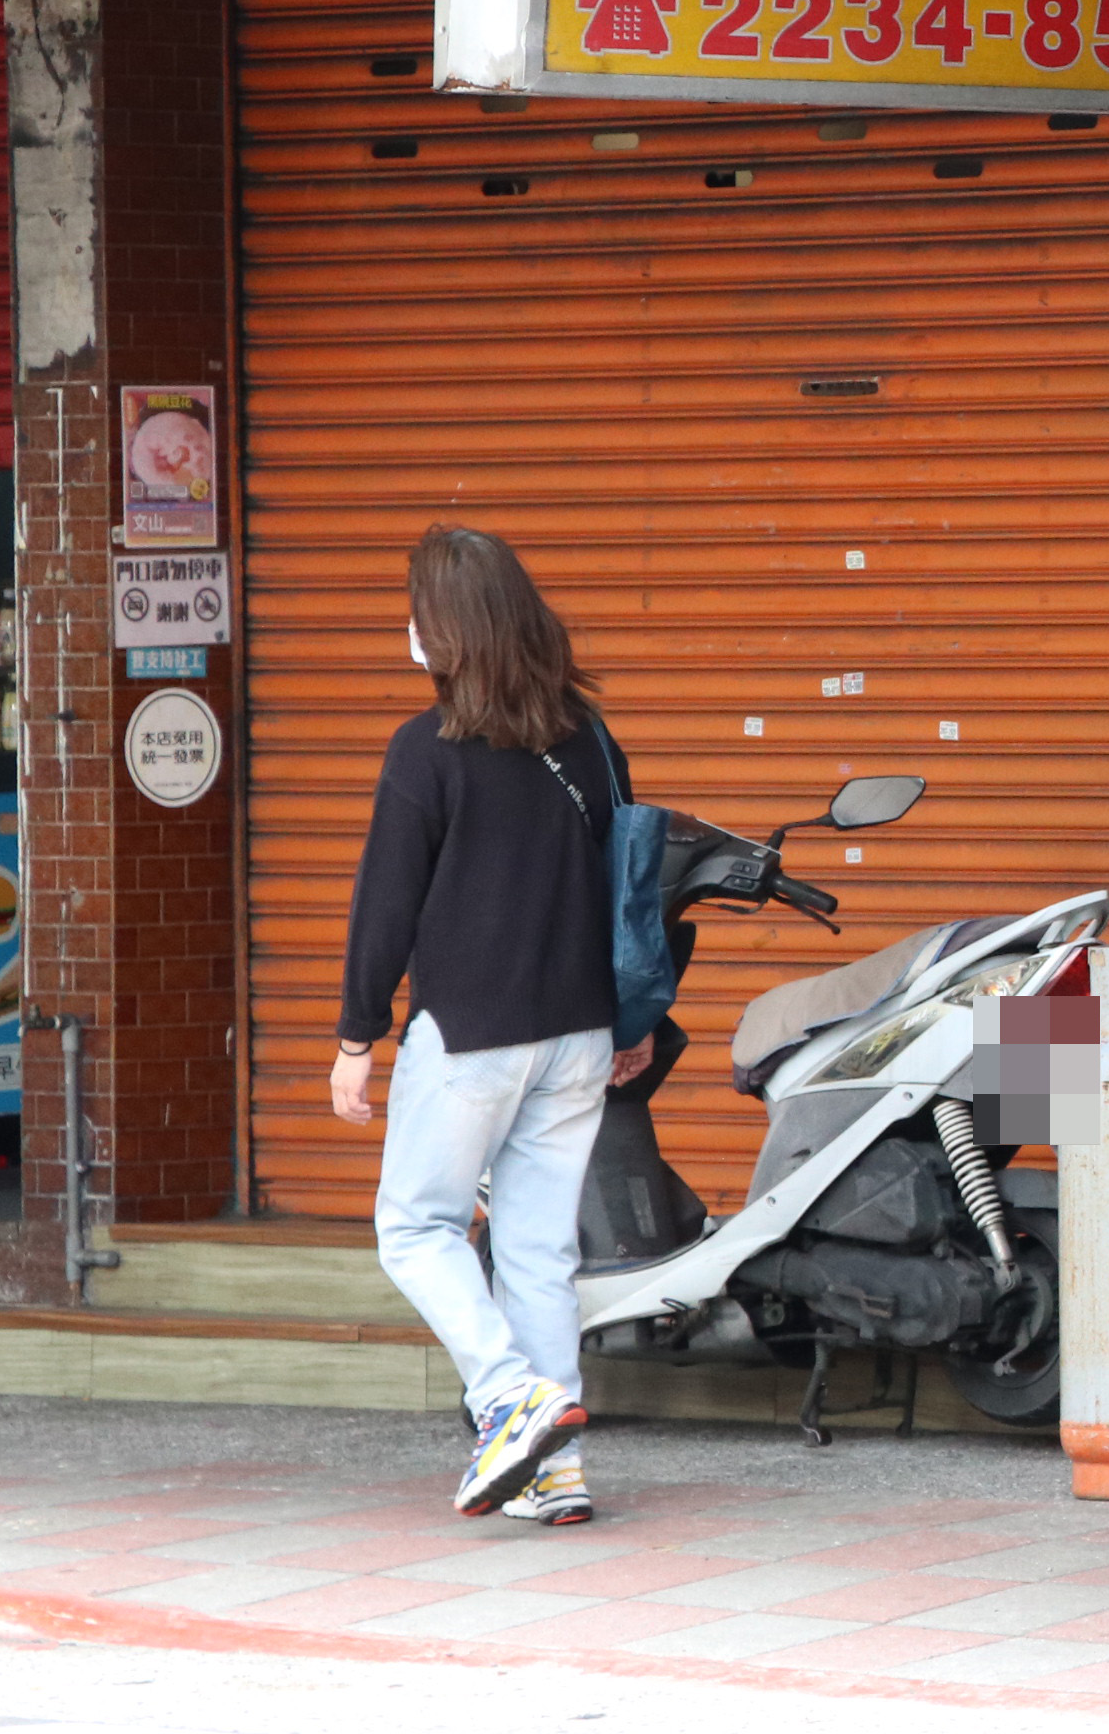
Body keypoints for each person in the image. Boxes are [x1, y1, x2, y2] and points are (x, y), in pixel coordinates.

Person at [334, 523, 640, 1526]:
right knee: (538, 1250)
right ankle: (556, 1473)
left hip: (471, 1031)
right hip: (578, 1030)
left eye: (417, 606)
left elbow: (386, 902)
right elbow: (622, 885)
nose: (408, 625)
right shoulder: (587, 735)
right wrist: (632, 1012)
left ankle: (511, 1398)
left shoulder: (426, 750)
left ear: (449, 626)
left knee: (415, 1227)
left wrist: (355, 1035)